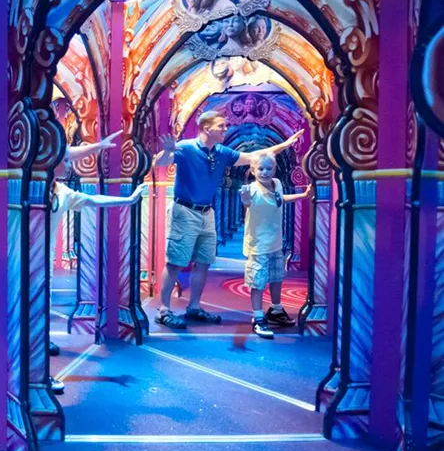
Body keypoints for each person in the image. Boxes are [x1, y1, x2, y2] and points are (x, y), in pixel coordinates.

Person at [151, 110, 303, 329]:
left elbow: (256, 156)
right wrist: (165, 152)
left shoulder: (222, 152)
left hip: (207, 213)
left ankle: (194, 307)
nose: (225, 129)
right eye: (221, 126)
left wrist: (286, 145)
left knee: (203, 262)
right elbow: (160, 163)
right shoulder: (185, 147)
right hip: (184, 211)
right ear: (206, 128)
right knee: (175, 262)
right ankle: (164, 310)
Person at [47, 159, 146, 393]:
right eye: (65, 160)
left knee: (38, 318)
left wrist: (128, 199)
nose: (70, 165)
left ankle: (38, 374)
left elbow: (94, 200)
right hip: (18, 264)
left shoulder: (62, 191)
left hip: (42, 266)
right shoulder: (22, 187)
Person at [239, 152, 313, 338]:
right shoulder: (252, 189)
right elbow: (247, 203)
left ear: (274, 169)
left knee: (276, 277)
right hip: (258, 245)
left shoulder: (277, 184)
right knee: (257, 282)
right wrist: (245, 199)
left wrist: (303, 195)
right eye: (260, 169)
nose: (265, 172)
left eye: (268, 168)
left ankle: (276, 310)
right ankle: (257, 317)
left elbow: (279, 200)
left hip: (275, 242)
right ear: (253, 171)